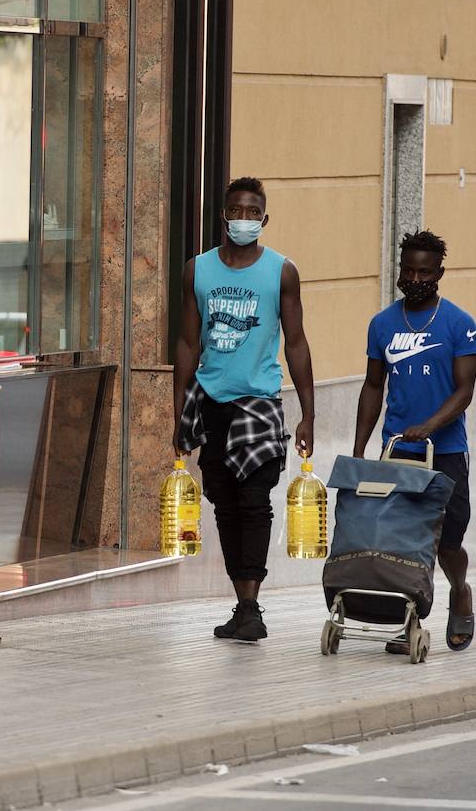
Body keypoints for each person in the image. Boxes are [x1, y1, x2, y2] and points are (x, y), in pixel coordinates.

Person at [173, 177, 316, 642]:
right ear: (223, 216)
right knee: (224, 505)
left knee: (255, 504)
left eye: (253, 212)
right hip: (211, 402)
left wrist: (308, 413)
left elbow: (295, 342)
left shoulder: (280, 272)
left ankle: (252, 605)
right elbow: (187, 341)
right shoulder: (198, 270)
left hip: (259, 404)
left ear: (264, 220)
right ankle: (242, 604)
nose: (244, 219)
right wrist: (180, 410)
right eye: (237, 211)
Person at [353, 230, 476, 652]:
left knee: (447, 544)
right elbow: (373, 387)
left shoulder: (460, 324)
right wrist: (360, 452)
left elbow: (464, 391)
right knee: (402, 544)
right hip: (398, 454)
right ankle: (410, 626)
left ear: (439, 273)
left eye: (424, 271)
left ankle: (459, 589)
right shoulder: (382, 324)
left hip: (444, 454)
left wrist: (429, 425)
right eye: (408, 269)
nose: (415, 277)